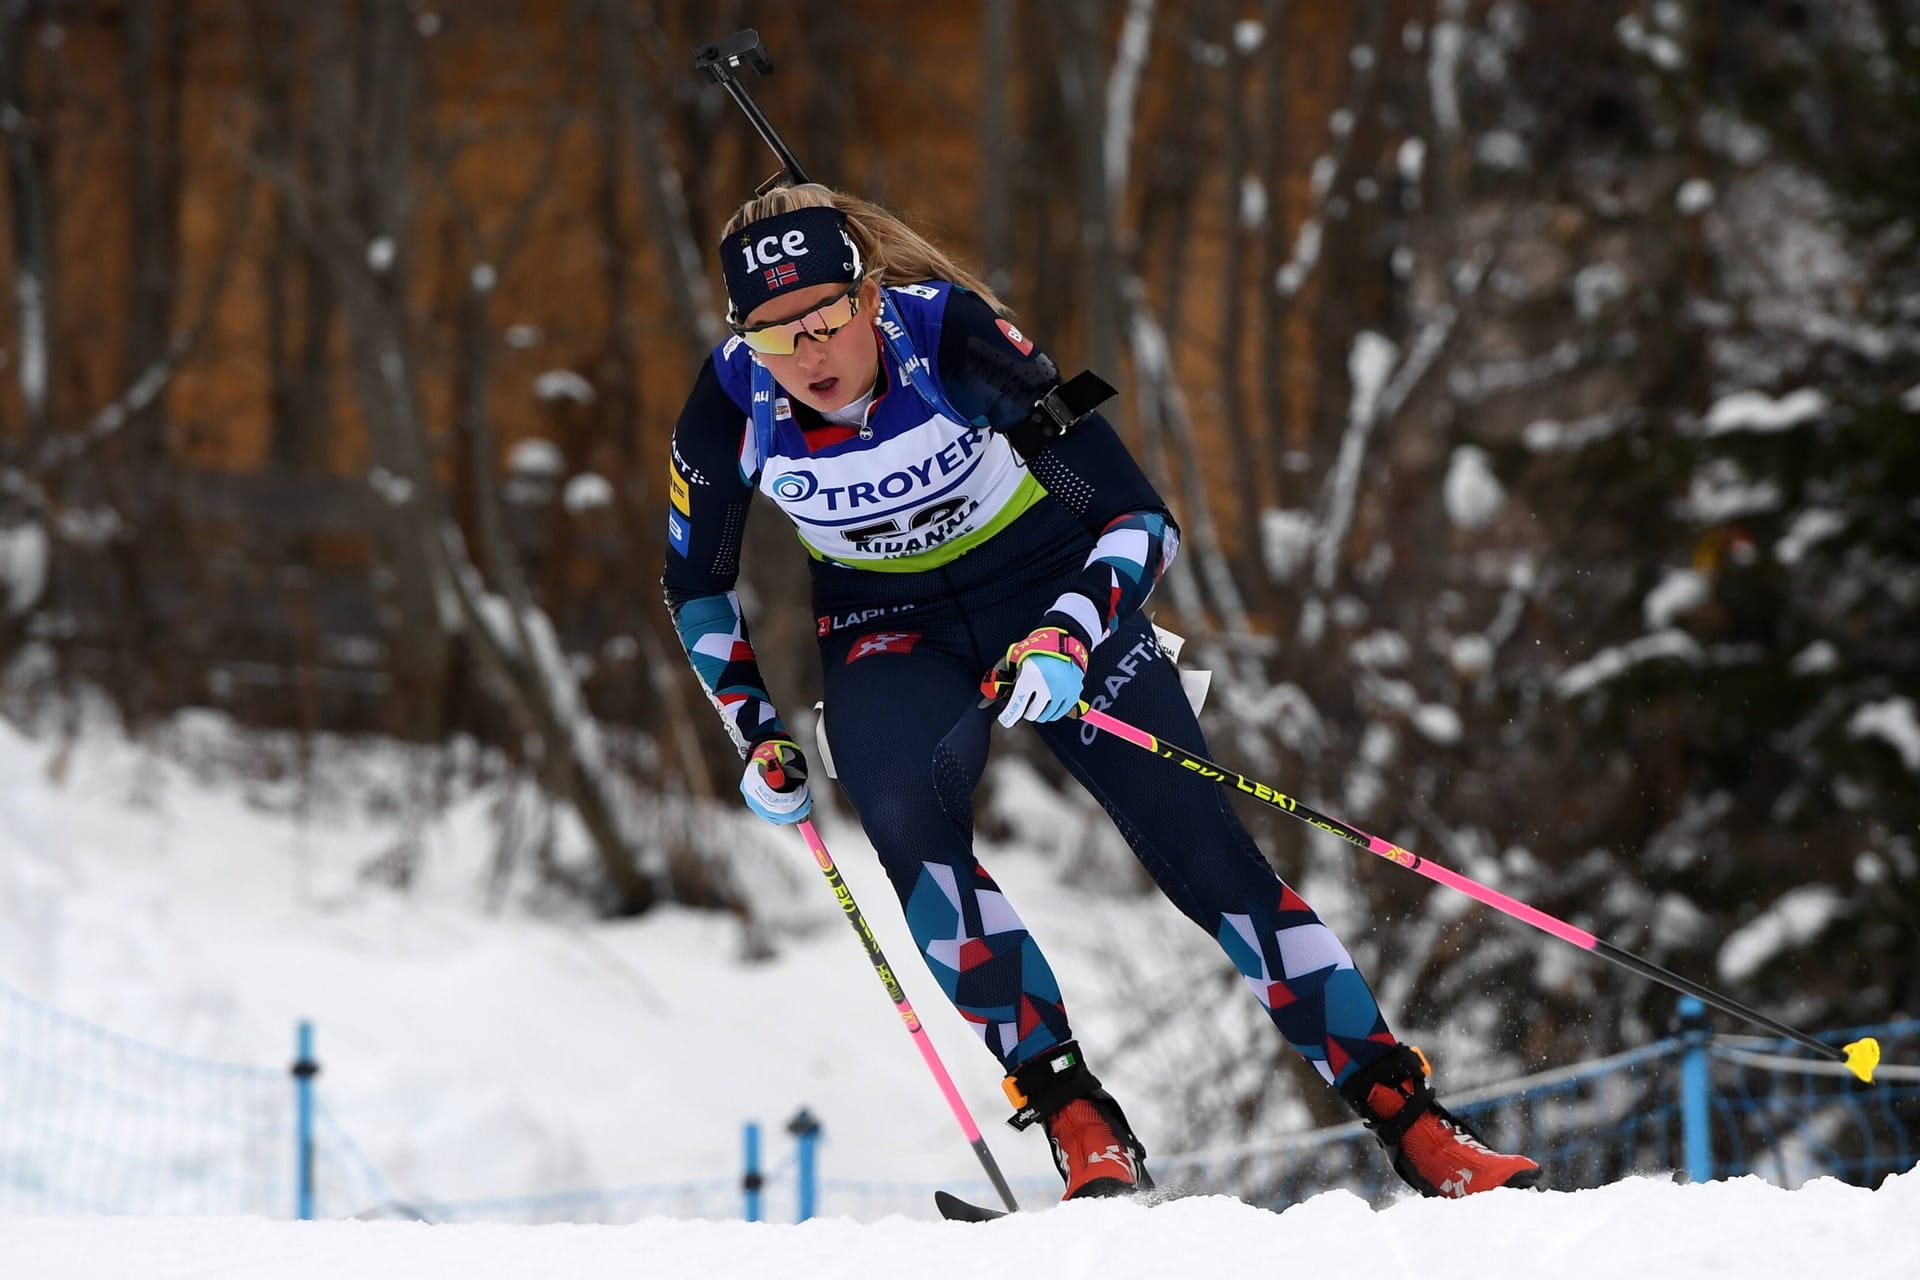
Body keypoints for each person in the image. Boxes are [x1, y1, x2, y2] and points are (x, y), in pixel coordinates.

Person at [661, 183, 1540, 1202]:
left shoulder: (955, 338)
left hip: (1049, 585)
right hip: (886, 625)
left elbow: (1137, 517)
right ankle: (1078, 1119)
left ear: (868, 297)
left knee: (1204, 849)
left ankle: (1414, 1119)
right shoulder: (729, 403)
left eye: (822, 321)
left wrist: (1069, 633)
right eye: (774, 336)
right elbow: (695, 581)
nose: (807, 357)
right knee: (903, 817)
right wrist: (755, 731)